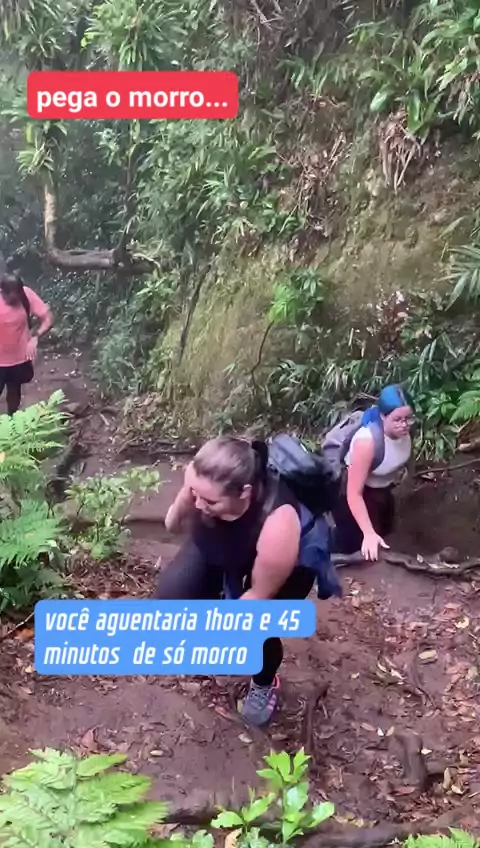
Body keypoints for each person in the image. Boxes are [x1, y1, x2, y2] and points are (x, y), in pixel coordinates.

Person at [155, 436, 318, 728]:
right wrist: (186, 499)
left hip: (275, 570)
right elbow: (172, 523)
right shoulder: (200, 478)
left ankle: (265, 681)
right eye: (196, 494)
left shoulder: (278, 524)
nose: (199, 504)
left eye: (209, 501)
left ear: (244, 492)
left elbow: (257, 596)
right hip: (222, 543)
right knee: (172, 596)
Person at [331, 384, 414, 563]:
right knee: (353, 543)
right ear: (383, 416)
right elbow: (354, 493)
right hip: (351, 494)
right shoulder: (367, 442)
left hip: (381, 490)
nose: (404, 425)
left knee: (383, 530)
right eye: (397, 419)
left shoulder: (405, 432)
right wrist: (368, 533)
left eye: (408, 418)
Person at [0, 273, 53, 415]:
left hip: (19, 358)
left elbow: (48, 318)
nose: (15, 299)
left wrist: (36, 336)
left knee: (14, 389)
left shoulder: (26, 295)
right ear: (2, 291)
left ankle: (13, 421)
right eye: (10, 296)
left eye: (17, 295)